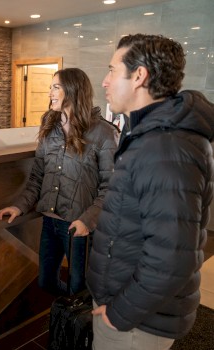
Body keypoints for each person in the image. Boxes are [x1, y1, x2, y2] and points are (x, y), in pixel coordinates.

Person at [87, 33, 214, 350]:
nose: (104, 81)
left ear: (139, 75)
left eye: (112, 70)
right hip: (132, 309)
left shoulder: (165, 146)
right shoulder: (149, 134)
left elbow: (171, 260)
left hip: (136, 323)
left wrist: (118, 314)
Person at [0, 68, 117, 296]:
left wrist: (87, 221)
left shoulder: (102, 133)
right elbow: (37, 177)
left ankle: (79, 328)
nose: (49, 91)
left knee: (79, 289)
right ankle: (66, 315)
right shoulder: (49, 128)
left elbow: (110, 188)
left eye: (56, 87)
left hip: (79, 226)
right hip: (50, 223)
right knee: (45, 282)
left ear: (73, 91)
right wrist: (19, 206)